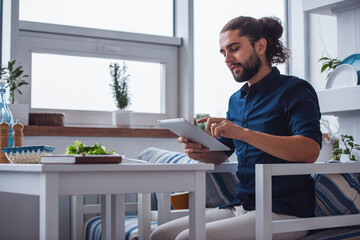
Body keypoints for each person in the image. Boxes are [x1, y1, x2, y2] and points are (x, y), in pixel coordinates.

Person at [150, 16, 322, 240]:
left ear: (260, 46)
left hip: (285, 213)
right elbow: (222, 154)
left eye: (234, 49)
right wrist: (200, 151)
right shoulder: (236, 100)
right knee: (160, 234)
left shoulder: (295, 89)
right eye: (223, 52)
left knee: (187, 238)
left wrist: (242, 133)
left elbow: (310, 150)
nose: (227, 58)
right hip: (242, 205)